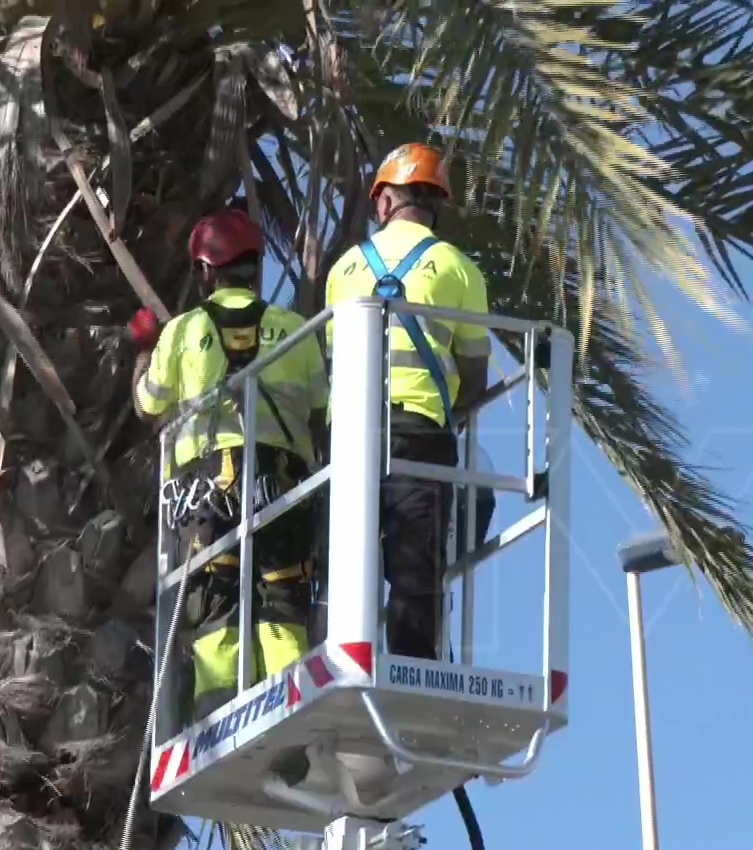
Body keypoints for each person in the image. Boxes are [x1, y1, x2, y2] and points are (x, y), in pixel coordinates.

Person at [132, 208, 329, 719]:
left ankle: (219, 713)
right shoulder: (294, 329)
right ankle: (290, 714)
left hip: (207, 489)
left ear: (204, 271)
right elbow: (321, 410)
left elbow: (148, 406)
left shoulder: (181, 332)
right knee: (282, 597)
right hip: (282, 484)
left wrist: (142, 346)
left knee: (215, 598)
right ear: (255, 268)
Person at [324, 143, 493, 662]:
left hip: (349, 436)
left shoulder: (345, 269)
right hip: (418, 433)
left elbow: (331, 359)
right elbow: (474, 374)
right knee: (416, 566)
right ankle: (412, 666)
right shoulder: (459, 269)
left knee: (344, 561)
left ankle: (337, 656)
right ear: (435, 203)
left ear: (383, 203)